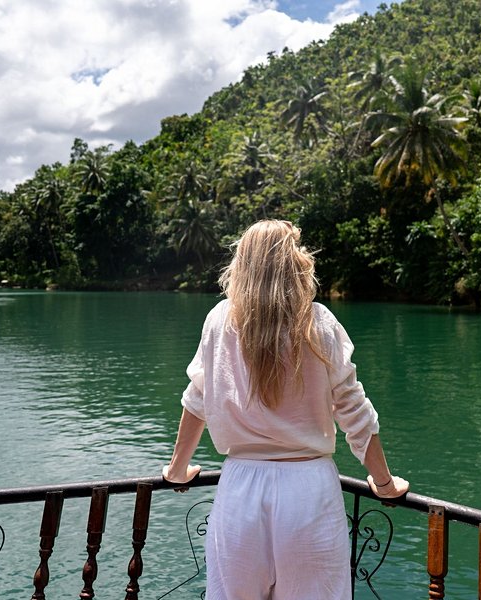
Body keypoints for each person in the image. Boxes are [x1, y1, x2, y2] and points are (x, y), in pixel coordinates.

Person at [163, 219, 409, 599]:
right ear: (293, 263)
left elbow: (197, 400)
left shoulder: (219, 320)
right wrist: (384, 483)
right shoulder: (318, 322)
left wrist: (178, 470)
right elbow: (353, 410)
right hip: (309, 492)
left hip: (240, 491)